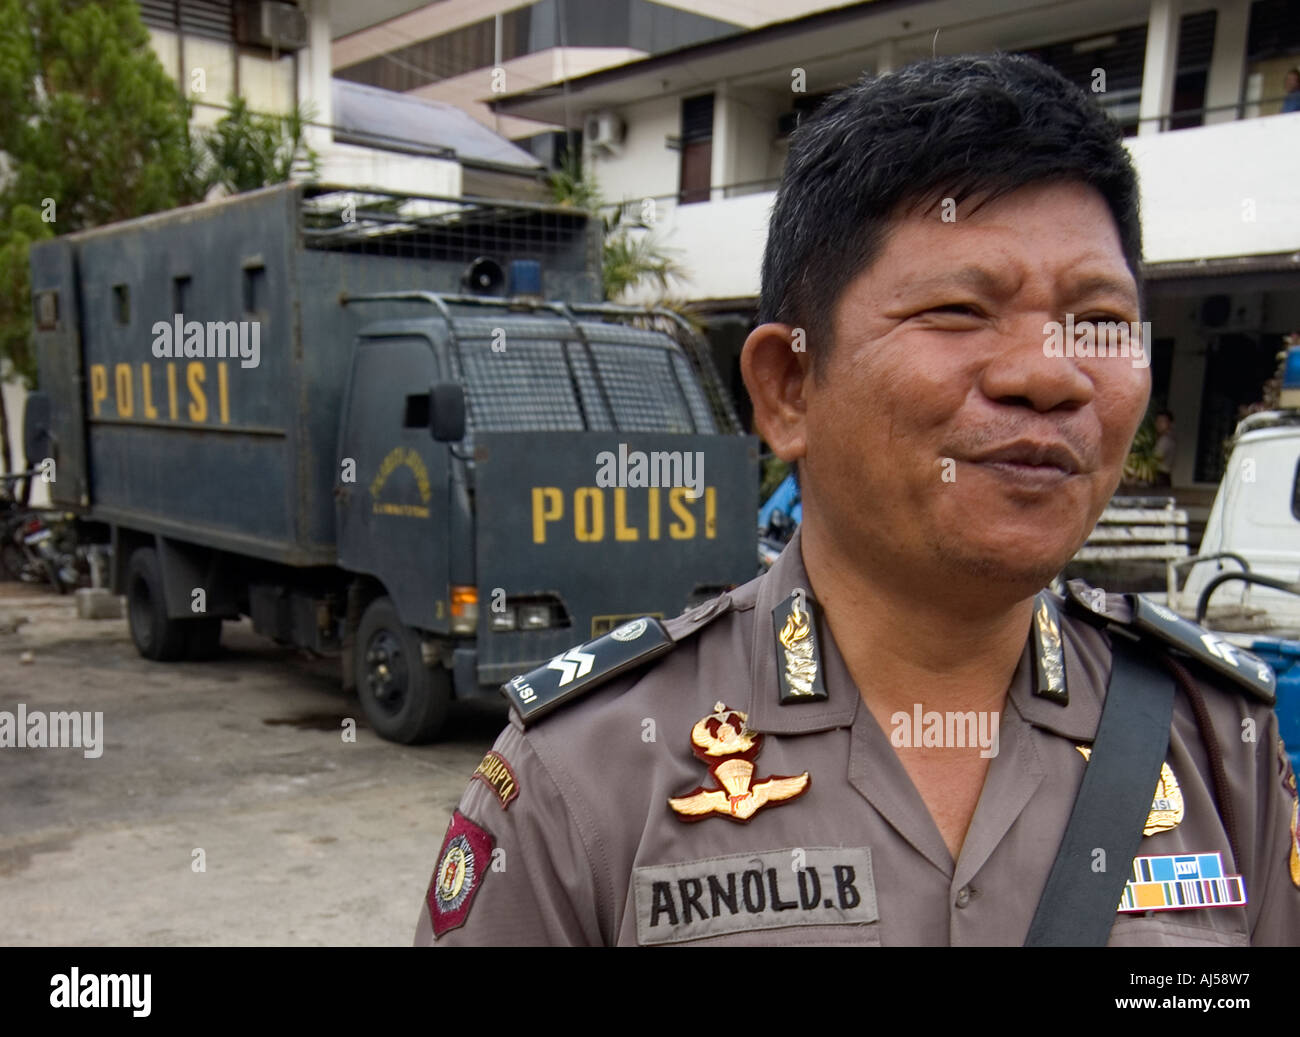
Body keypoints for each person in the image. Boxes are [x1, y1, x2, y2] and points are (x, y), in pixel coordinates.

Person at [415, 54, 1300, 946]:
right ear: (789, 387)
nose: (1049, 374)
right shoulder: (587, 774)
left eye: (1100, 323)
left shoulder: (1223, 747)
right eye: (959, 309)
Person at [1153, 410, 1176, 488]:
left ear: (1170, 423)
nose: (1159, 424)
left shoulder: (1165, 439)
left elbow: (1156, 457)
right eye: (1158, 421)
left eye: (1162, 421)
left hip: (1160, 477)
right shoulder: (1160, 438)